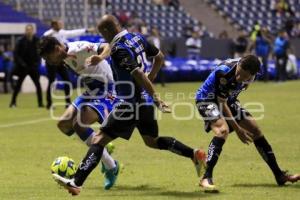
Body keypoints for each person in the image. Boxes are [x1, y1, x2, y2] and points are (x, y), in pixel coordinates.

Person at [52, 15, 206, 195]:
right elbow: (159, 57)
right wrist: (152, 77)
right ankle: (194, 154)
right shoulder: (137, 37)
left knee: (98, 140)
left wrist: (156, 96)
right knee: (152, 141)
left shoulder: (119, 49)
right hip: (144, 101)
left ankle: (76, 182)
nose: (102, 37)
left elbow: (138, 74)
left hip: (128, 102)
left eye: (102, 33)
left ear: (107, 31)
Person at [195, 55, 300, 192]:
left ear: (252, 74)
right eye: (239, 72)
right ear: (239, 64)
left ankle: (279, 176)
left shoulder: (252, 74)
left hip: (228, 100)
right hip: (206, 100)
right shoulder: (225, 72)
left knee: (255, 130)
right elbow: (221, 103)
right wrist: (237, 129)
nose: (239, 77)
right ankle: (205, 177)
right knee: (223, 131)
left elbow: (230, 97)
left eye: (244, 76)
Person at [39, 36, 120, 190]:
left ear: (57, 49)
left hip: (108, 91)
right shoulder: (63, 57)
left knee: (79, 124)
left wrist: (100, 57)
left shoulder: (80, 48)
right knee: (63, 124)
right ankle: (100, 146)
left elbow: (107, 46)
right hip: (92, 91)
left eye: (49, 58)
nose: (49, 62)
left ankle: (111, 166)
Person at [43, 20, 94, 109]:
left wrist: (86, 30)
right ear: (54, 25)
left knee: (67, 80)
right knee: (51, 82)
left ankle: (67, 102)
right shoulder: (47, 34)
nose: (61, 25)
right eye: (59, 24)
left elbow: (73, 33)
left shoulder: (62, 32)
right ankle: (49, 103)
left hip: (61, 61)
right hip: (52, 62)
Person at [9, 24, 43, 108]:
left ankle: (40, 103)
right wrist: (22, 64)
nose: (29, 31)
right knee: (18, 85)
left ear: (33, 31)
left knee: (38, 85)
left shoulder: (37, 40)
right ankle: (12, 103)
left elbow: (39, 53)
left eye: (30, 29)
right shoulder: (20, 40)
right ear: (25, 31)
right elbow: (16, 54)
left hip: (33, 67)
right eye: (27, 30)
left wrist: (37, 63)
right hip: (23, 67)